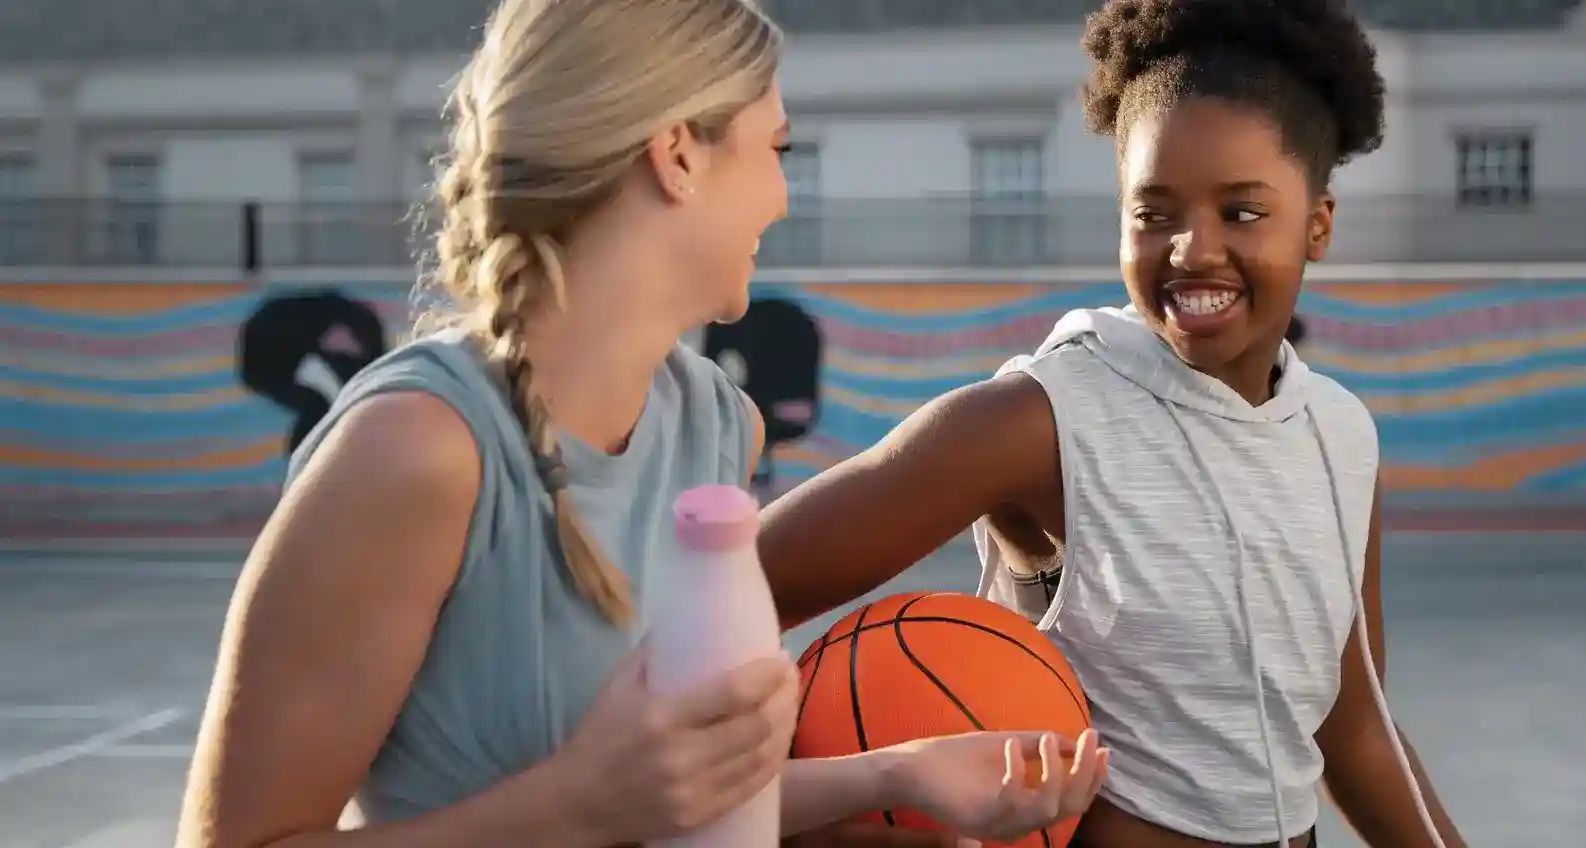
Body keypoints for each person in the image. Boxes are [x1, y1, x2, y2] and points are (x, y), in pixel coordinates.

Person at [173, 1, 1108, 846]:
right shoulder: (417, 451)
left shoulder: (715, 428)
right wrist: (575, 806)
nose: (783, 197)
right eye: (776, 151)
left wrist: (899, 774)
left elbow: (679, 797)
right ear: (678, 155)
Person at [755, 0, 1469, 845]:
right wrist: (797, 811)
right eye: (1154, 212)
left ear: (1317, 225)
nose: (1192, 249)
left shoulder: (1341, 435)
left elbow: (1351, 725)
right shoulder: (1040, 418)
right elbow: (737, 590)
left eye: (1241, 212)